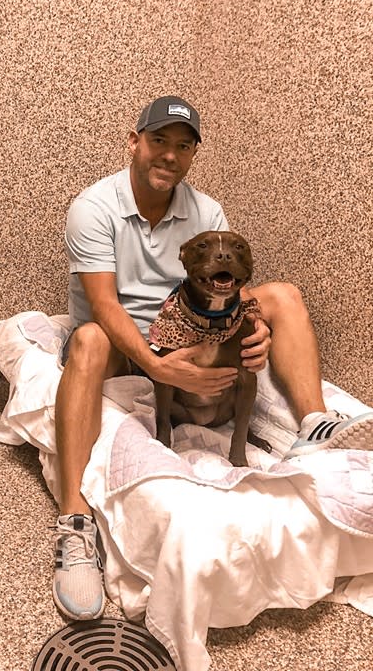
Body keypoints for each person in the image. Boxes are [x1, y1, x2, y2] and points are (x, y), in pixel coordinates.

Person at [52, 95, 373, 622]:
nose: (170, 157)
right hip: (124, 339)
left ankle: (314, 423)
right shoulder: (94, 207)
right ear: (134, 142)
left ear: (193, 156)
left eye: (183, 147)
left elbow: (232, 288)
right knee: (87, 340)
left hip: (195, 324)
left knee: (284, 295)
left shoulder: (206, 211)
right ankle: (74, 526)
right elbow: (105, 305)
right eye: (159, 142)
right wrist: (156, 365)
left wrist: (258, 330)